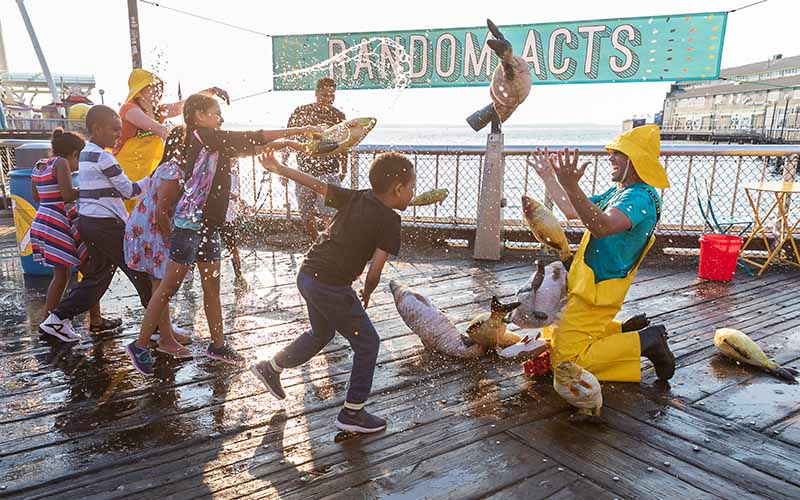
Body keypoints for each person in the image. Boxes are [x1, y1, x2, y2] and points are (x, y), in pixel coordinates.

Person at [126, 93, 322, 375]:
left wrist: (287, 143)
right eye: (216, 112)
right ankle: (141, 344)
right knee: (169, 287)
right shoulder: (202, 135)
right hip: (190, 224)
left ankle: (217, 345)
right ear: (199, 116)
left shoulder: (214, 141)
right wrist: (297, 130)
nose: (221, 117)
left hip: (208, 225)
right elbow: (252, 136)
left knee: (212, 286)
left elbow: (248, 146)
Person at [251, 150, 415, 434]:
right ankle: (353, 412)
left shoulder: (358, 196)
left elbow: (317, 185)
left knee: (322, 333)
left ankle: (272, 366)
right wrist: (366, 292)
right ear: (398, 189)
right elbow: (375, 270)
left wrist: (279, 168)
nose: (413, 194)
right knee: (367, 343)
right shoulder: (390, 221)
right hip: (330, 285)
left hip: (308, 274)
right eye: (412, 188)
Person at [529, 125, 676, 383]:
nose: (611, 157)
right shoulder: (618, 192)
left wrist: (571, 184)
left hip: (599, 290)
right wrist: (550, 177)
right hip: (586, 283)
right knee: (552, 334)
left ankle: (645, 341)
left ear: (635, 159)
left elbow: (602, 226)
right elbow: (572, 209)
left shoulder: (640, 197)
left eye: (619, 153)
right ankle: (622, 330)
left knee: (565, 363)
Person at [38, 106, 151, 342]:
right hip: (106, 224)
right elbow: (129, 191)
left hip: (90, 221)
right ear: (97, 129)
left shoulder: (88, 153)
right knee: (138, 269)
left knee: (98, 276)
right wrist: (155, 177)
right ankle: (158, 326)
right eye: (115, 130)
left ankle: (56, 318)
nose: (119, 135)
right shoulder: (103, 156)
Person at [30, 129, 118, 340]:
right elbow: (68, 194)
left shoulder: (39, 165)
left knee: (66, 273)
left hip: (45, 218)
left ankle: (51, 320)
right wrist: (89, 189)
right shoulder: (60, 163)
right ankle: (65, 321)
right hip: (61, 221)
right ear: (73, 154)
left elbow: (36, 196)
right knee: (86, 270)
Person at [113, 68, 228, 213]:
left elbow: (184, 105)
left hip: (147, 169)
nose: (159, 91)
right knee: (126, 211)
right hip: (128, 170)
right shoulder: (128, 109)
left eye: (160, 88)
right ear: (141, 89)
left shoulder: (158, 111)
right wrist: (189, 142)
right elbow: (160, 130)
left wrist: (211, 91)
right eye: (154, 87)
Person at [124, 126, 193, 358]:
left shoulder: (168, 166)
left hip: (144, 225)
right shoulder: (175, 171)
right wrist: (171, 241)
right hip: (153, 229)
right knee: (162, 284)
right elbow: (163, 210)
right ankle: (165, 339)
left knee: (160, 284)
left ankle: (167, 334)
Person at [286, 77, 347, 239]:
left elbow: (344, 144)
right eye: (324, 94)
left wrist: (344, 168)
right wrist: (283, 166)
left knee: (330, 215)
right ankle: (315, 242)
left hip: (330, 172)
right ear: (316, 93)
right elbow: (289, 139)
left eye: (331, 95)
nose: (328, 98)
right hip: (304, 172)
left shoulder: (338, 115)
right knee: (306, 215)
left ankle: (329, 244)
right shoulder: (301, 111)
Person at [219, 161, 245, 285]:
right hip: (216, 214)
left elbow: (232, 193)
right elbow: (221, 190)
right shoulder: (218, 171)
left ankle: (239, 276)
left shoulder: (234, 173)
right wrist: (236, 198)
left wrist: (239, 201)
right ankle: (189, 277)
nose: (234, 161)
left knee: (232, 246)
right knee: (199, 247)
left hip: (229, 216)